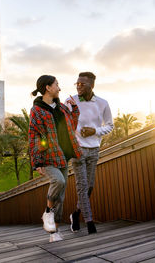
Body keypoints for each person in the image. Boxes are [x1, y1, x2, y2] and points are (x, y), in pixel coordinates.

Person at [29, 75, 82, 242]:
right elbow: (33, 136)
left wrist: (75, 110)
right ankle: (47, 212)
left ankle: (54, 232)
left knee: (61, 196)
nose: (59, 88)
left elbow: (71, 126)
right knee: (58, 182)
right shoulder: (37, 110)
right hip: (48, 156)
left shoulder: (62, 108)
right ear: (48, 88)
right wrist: (36, 162)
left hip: (63, 155)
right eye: (57, 85)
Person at [65, 72, 114, 234]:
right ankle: (90, 223)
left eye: (82, 84)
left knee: (90, 186)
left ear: (91, 86)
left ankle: (76, 213)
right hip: (77, 149)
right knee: (82, 186)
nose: (78, 86)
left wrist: (95, 131)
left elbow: (109, 125)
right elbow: (64, 124)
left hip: (94, 149)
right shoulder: (70, 101)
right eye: (77, 84)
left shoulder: (102, 103)